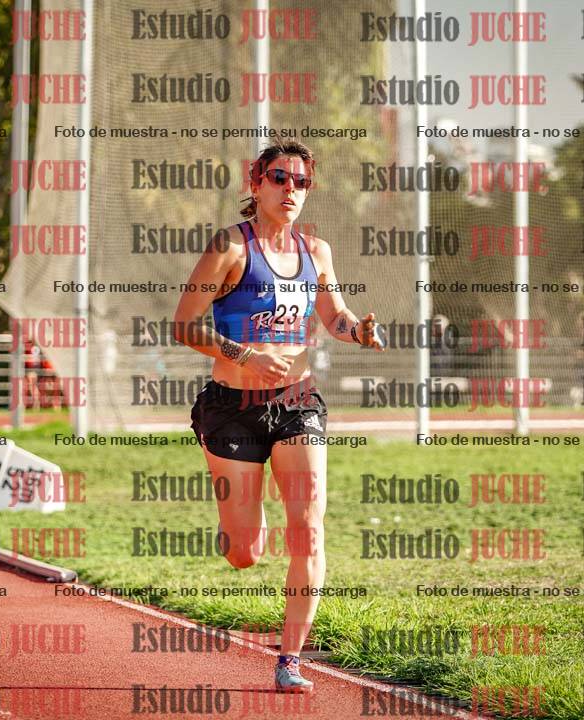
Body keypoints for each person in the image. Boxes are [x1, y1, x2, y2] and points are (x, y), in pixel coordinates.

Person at [173, 139, 383, 693]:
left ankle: (290, 659)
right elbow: (185, 325)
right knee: (244, 554)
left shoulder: (317, 251)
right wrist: (245, 355)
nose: (291, 189)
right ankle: (244, 520)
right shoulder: (229, 247)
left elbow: (334, 316)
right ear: (257, 182)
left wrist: (357, 330)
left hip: (296, 404)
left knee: (309, 529)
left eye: (301, 181)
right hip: (231, 410)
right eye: (280, 178)